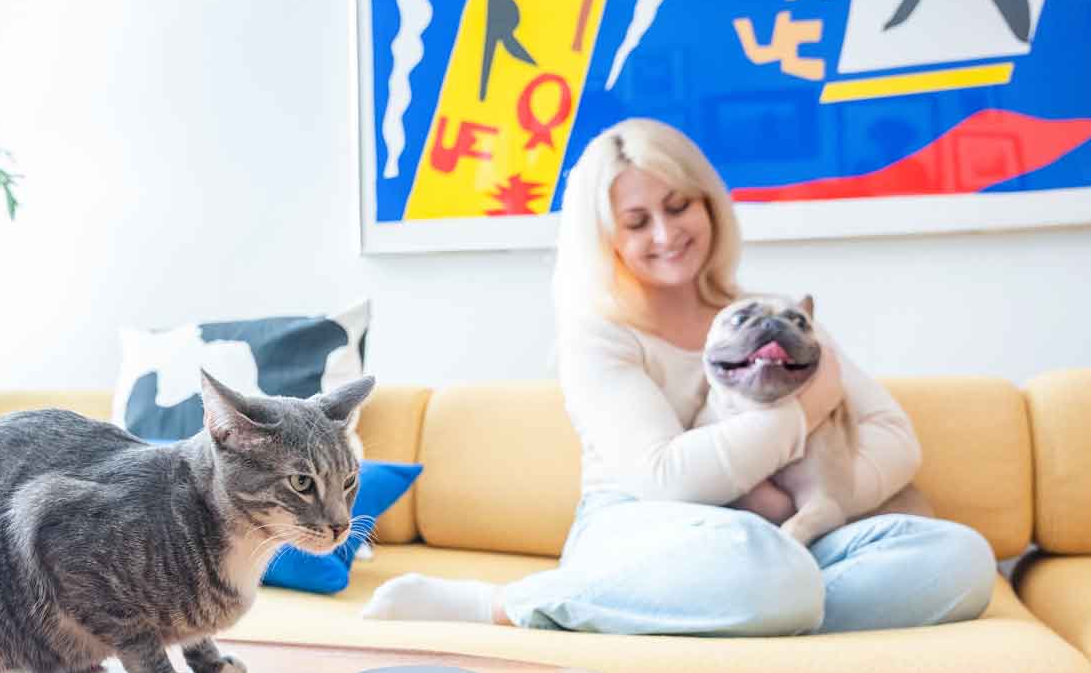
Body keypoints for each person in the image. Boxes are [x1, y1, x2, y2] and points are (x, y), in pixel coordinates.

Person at [363, 119, 995, 635]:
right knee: (770, 573)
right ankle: (512, 604)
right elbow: (667, 477)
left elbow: (895, 438)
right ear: (606, 237)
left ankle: (757, 607)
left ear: (708, 205)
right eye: (637, 222)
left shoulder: (768, 320)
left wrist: (815, 506)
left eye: (677, 206)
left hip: (783, 543)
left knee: (959, 558)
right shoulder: (598, 334)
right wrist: (804, 412)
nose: (666, 234)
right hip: (642, 525)